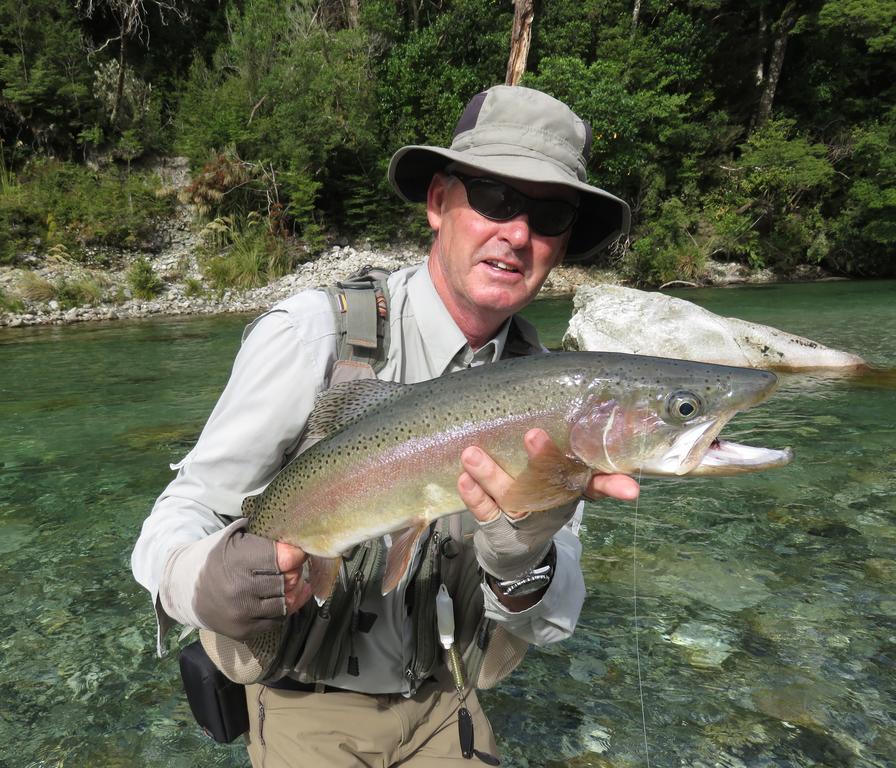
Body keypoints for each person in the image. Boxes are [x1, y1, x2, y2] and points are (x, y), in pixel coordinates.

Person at [131, 84, 640, 766]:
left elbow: (549, 625)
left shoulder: (557, 394)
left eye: (548, 215)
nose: (517, 233)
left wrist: (522, 561)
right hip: (306, 710)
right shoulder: (314, 333)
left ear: (563, 241)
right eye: (495, 200)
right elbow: (182, 511)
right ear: (438, 203)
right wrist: (198, 581)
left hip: (450, 707)